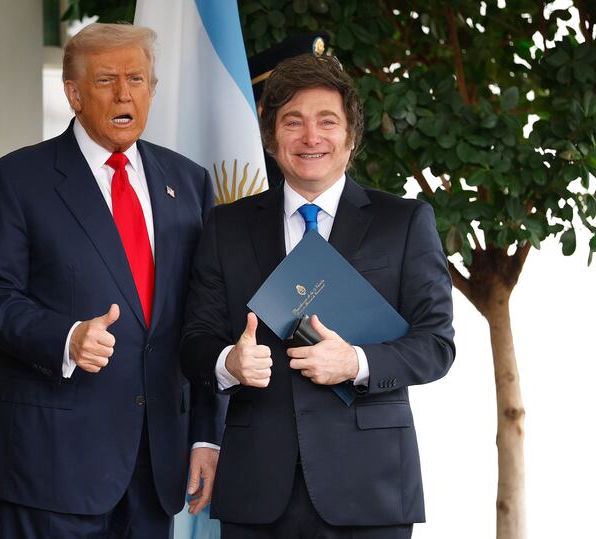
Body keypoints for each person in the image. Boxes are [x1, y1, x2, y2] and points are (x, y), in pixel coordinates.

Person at [0, 23, 221, 538]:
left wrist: (206, 435)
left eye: (137, 79)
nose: (125, 94)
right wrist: (67, 338)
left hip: (155, 457)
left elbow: (202, 317)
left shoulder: (188, 182)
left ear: (153, 89)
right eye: (106, 80)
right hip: (49, 458)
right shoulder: (15, 180)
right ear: (72, 93)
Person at [181, 52, 455, 538]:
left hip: (370, 488)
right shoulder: (225, 226)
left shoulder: (405, 222)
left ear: (351, 137)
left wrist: (356, 363)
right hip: (257, 489)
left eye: (327, 121)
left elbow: (436, 345)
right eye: (293, 122)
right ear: (272, 137)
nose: (311, 137)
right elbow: (194, 340)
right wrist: (229, 362)